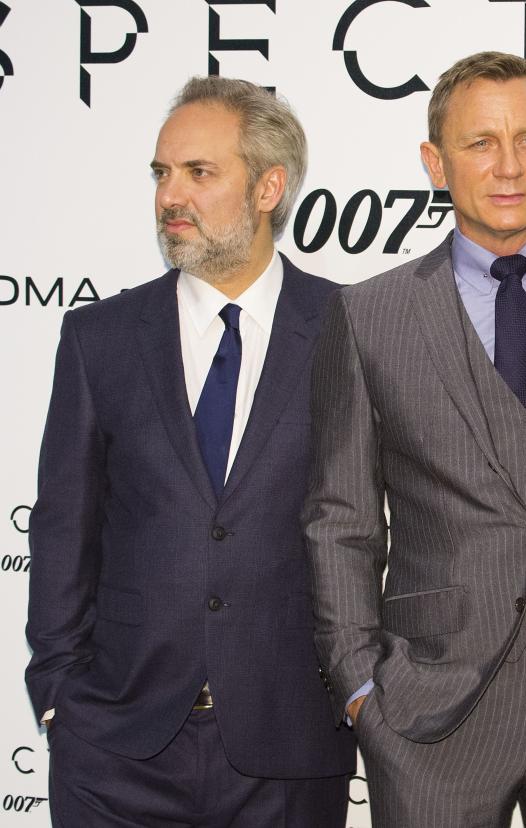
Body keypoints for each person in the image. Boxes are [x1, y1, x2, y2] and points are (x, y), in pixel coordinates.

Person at [301, 51, 526, 827]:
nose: (508, 165)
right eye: (479, 143)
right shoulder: (370, 315)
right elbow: (341, 520)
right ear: (435, 163)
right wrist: (363, 688)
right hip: (430, 712)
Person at [25, 76, 354, 826]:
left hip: (290, 747)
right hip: (116, 752)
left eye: (199, 173)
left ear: (269, 186)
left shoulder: (351, 330)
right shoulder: (99, 339)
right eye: (161, 173)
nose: (171, 195)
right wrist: (58, 696)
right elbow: (64, 528)